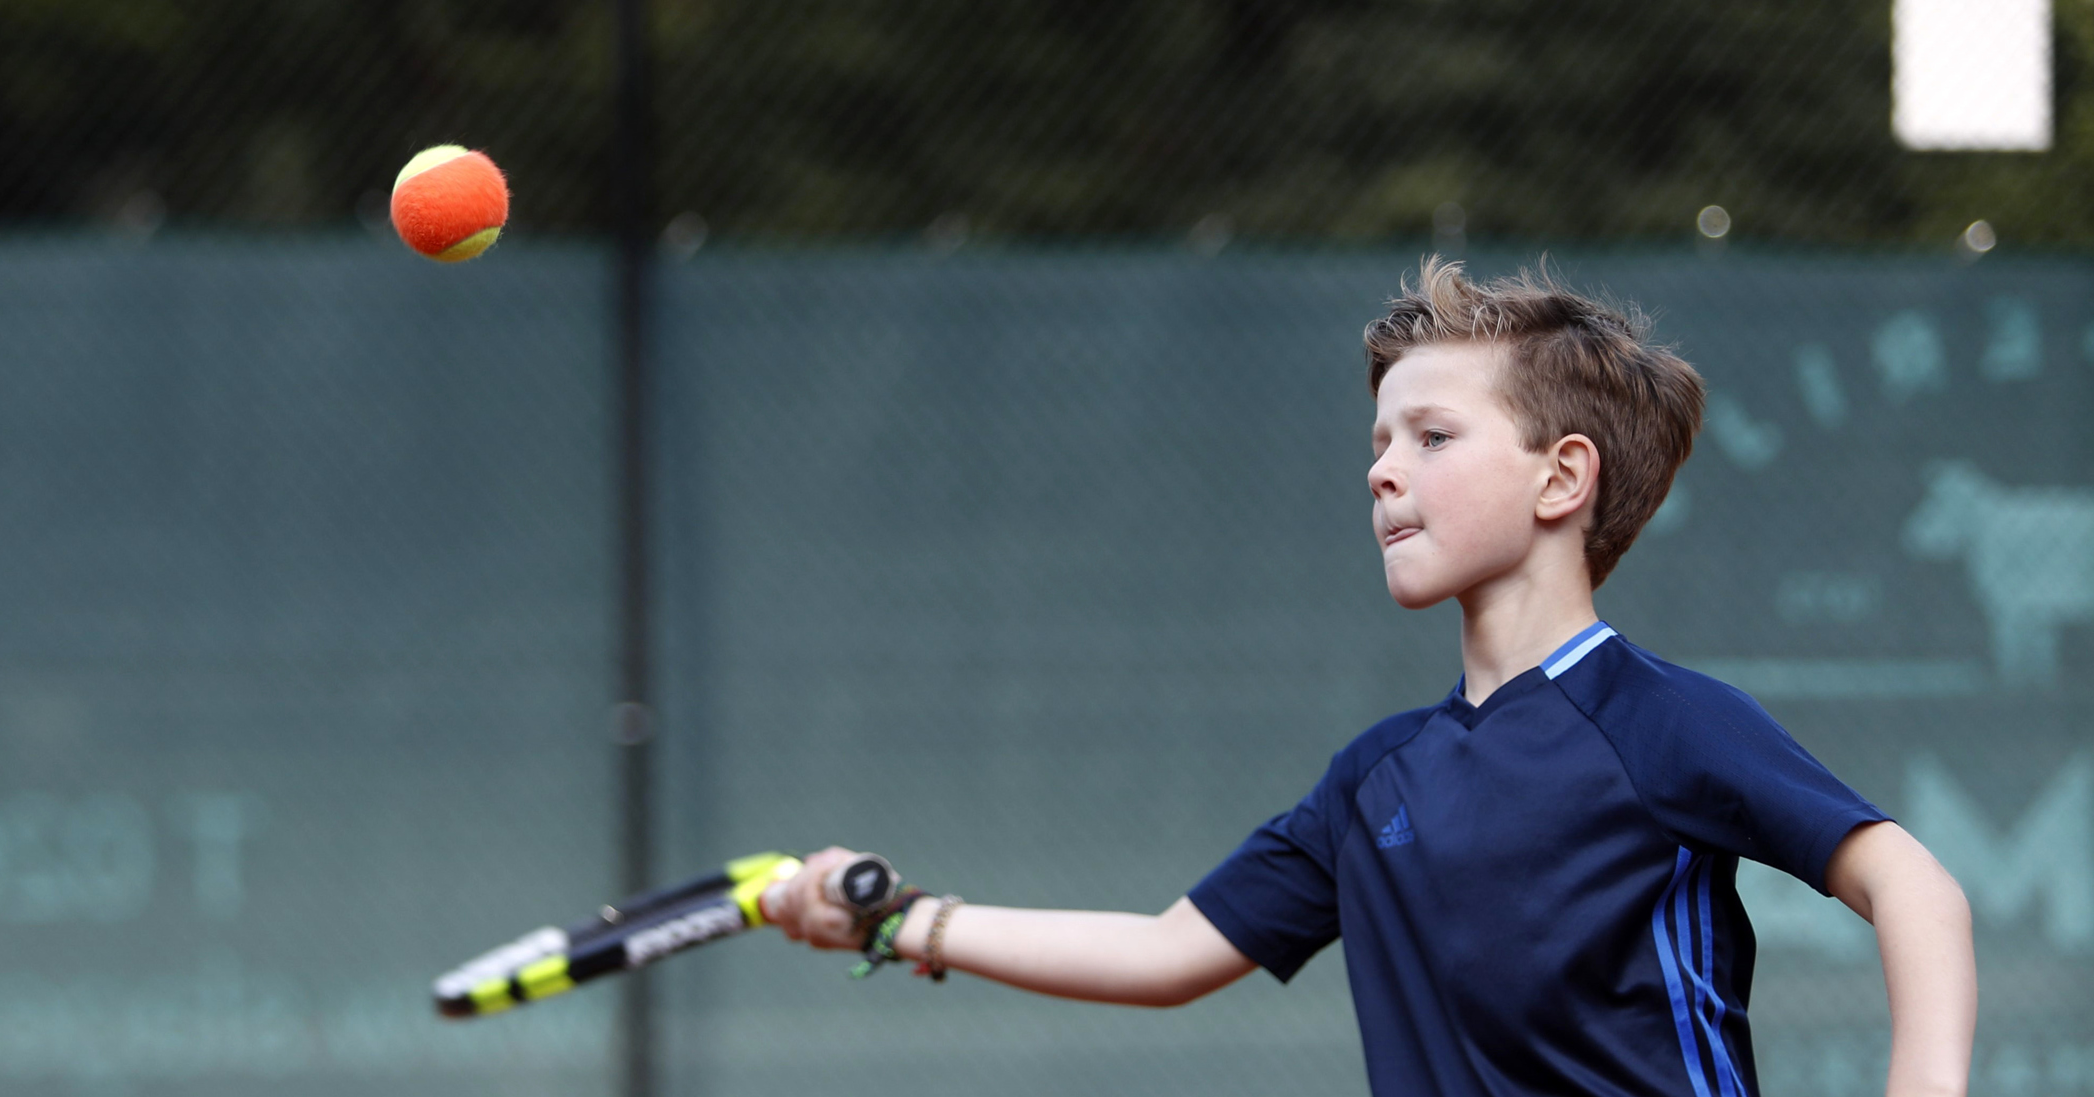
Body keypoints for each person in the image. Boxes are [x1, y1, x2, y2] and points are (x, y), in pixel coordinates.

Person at [764, 259, 1976, 1097]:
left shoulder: (1659, 722)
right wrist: (899, 916)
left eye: (1431, 437)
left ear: (1562, 478)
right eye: (1378, 443)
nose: (1382, 473)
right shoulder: (1375, 781)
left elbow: (1912, 885)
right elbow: (1163, 952)